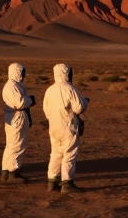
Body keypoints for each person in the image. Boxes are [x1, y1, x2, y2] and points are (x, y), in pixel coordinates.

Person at [42, 63, 88, 193]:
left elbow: (46, 109)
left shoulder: (49, 90)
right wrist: (85, 102)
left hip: (54, 127)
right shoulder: (69, 89)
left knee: (55, 154)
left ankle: (52, 182)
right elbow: (78, 107)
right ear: (67, 73)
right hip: (68, 127)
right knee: (69, 154)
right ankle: (67, 183)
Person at [1, 62, 35, 183]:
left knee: (11, 145)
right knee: (17, 145)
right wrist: (30, 100)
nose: (24, 75)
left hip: (16, 116)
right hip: (16, 117)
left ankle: (6, 171)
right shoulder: (12, 86)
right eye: (22, 72)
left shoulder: (15, 85)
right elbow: (20, 103)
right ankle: (13, 173)